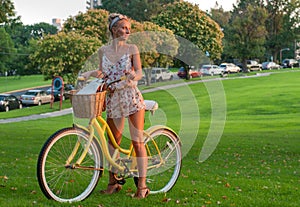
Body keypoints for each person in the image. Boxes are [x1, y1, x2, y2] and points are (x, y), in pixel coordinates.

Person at [82, 13, 149, 199]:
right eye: (123, 28)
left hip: (130, 97)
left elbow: (139, 72)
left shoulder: (131, 48)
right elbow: (102, 73)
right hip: (113, 98)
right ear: (113, 30)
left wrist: (132, 76)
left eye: (129, 29)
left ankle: (142, 187)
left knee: (137, 141)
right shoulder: (103, 51)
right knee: (113, 143)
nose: (127, 31)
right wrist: (89, 73)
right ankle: (113, 183)